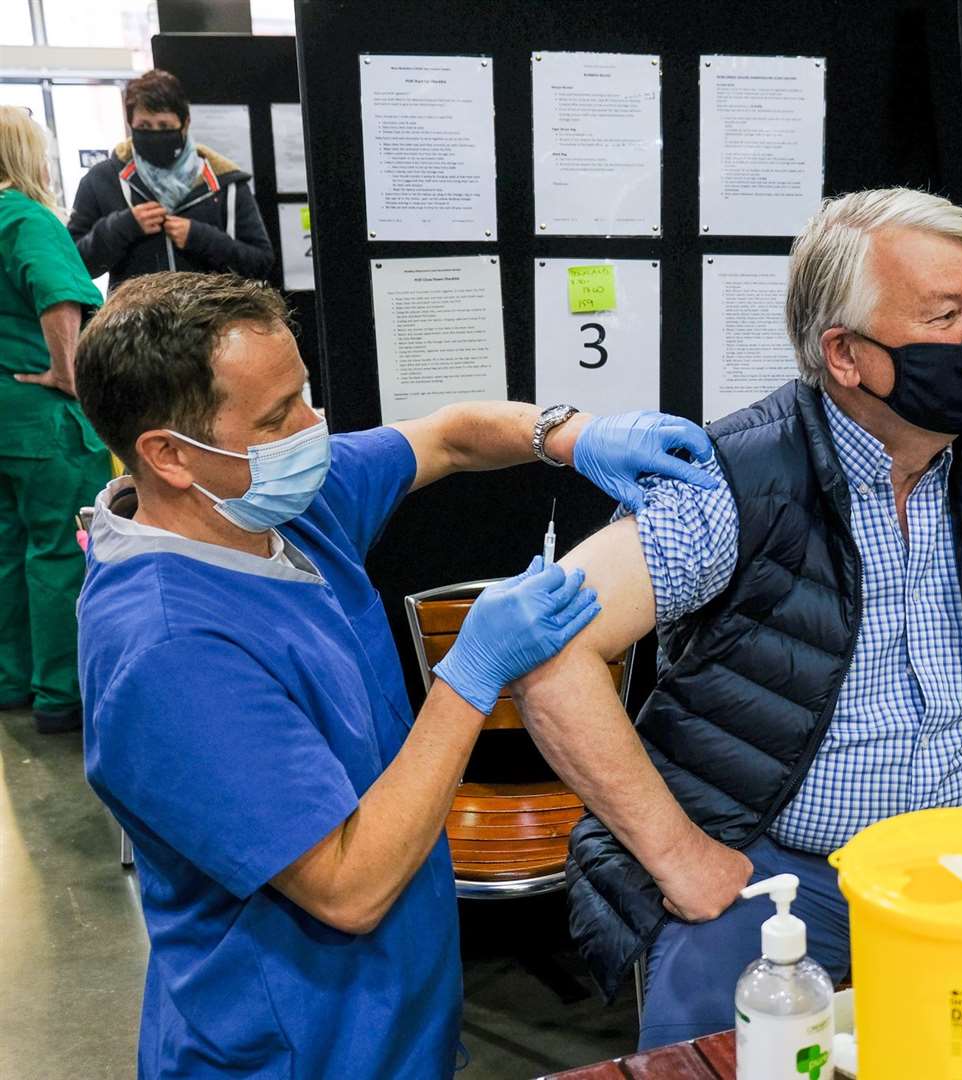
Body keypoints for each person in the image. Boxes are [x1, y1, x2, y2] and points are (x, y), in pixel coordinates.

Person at [515, 189, 962, 1078]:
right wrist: (676, 853)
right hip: (780, 863)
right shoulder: (732, 478)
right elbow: (547, 651)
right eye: (943, 315)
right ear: (844, 354)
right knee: (700, 1064)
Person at [73, 270, 719, 1078]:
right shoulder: (169, 654)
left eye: (303, 395)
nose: (314, 428)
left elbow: (447, 435)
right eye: (279, 416)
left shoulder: (277, 508)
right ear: (168, 456)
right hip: (293, 1048)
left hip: (397, 1014)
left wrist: (571, 434)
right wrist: (470, 674)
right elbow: (349, 886)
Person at [0, 105, 108, 733]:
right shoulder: (25, 216)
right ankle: (59, 694)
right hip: (41, 417)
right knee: (58, 550)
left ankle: (11, 680)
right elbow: (57, 291)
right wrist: (67, 374)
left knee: (7, 550)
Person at [68, 70, 273, 292]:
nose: (155, 134)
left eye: (165, 126)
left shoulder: (224, 182)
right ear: (130, 124)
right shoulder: (102, 180)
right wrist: (121, 227)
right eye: (145, 126)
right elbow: (73, 264)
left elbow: (260, 263)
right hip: (135, 324)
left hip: (211, 323)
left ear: (185, 124)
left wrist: (200, 238)